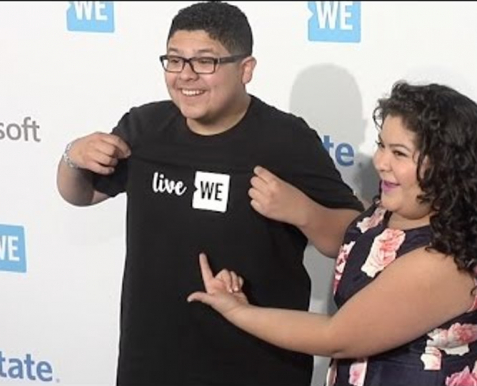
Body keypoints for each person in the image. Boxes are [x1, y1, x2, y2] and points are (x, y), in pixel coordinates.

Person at [56, 1, 364, 385]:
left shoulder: (287, 140)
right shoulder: (144, 127)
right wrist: (73, 157)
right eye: (174, 60)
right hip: (151, 358)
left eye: (205, 62)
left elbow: (352, 241)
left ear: (246, 69)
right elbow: (81, 195)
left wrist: (301, 210)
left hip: (257, 362)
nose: (187, 76)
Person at [188, 81, 477, 386]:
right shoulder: (408, 204)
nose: (380, 162)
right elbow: (356, 251)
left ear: (446, 167)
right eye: (381, 145)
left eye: (399, 153)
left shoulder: (442, 262)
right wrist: (302, 212)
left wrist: (237, 311)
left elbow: (336, 338)